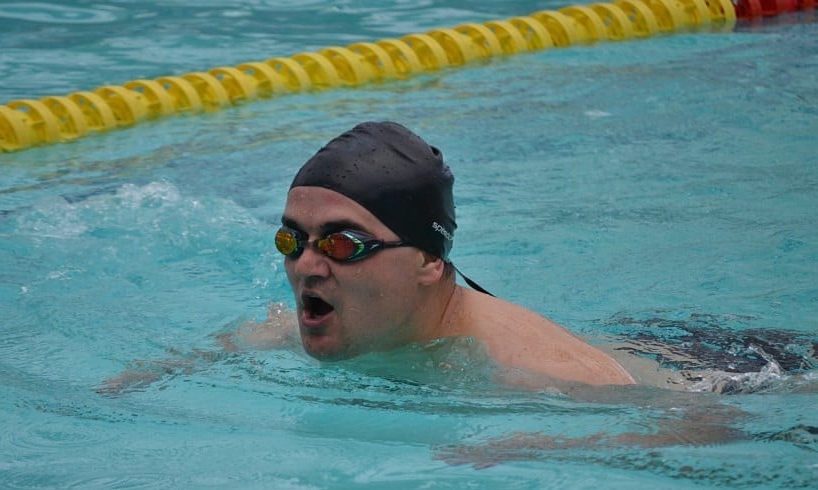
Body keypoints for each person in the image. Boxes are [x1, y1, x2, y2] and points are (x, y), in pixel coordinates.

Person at [267, 120, 635, 387]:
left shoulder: (548, 375)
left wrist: (543, 445)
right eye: (293, 240)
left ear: (428, 259)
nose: (306, 266)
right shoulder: (283, 337)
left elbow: (682, 429)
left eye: (343, 244)